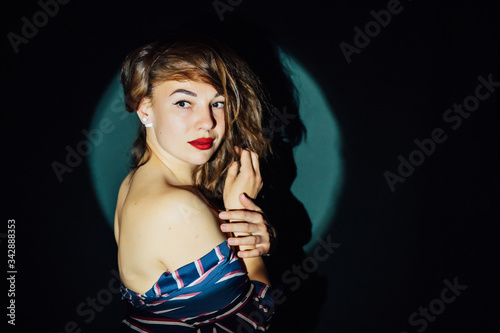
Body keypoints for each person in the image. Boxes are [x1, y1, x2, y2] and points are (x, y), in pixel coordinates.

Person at [114, 32, 276, 332]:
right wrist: (250, 248)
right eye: (183, 102)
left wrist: (244, 233)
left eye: (218, 103)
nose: (207, 121)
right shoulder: (175, 207)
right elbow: (253, 322)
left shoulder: (136, 181)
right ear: (145, 109)